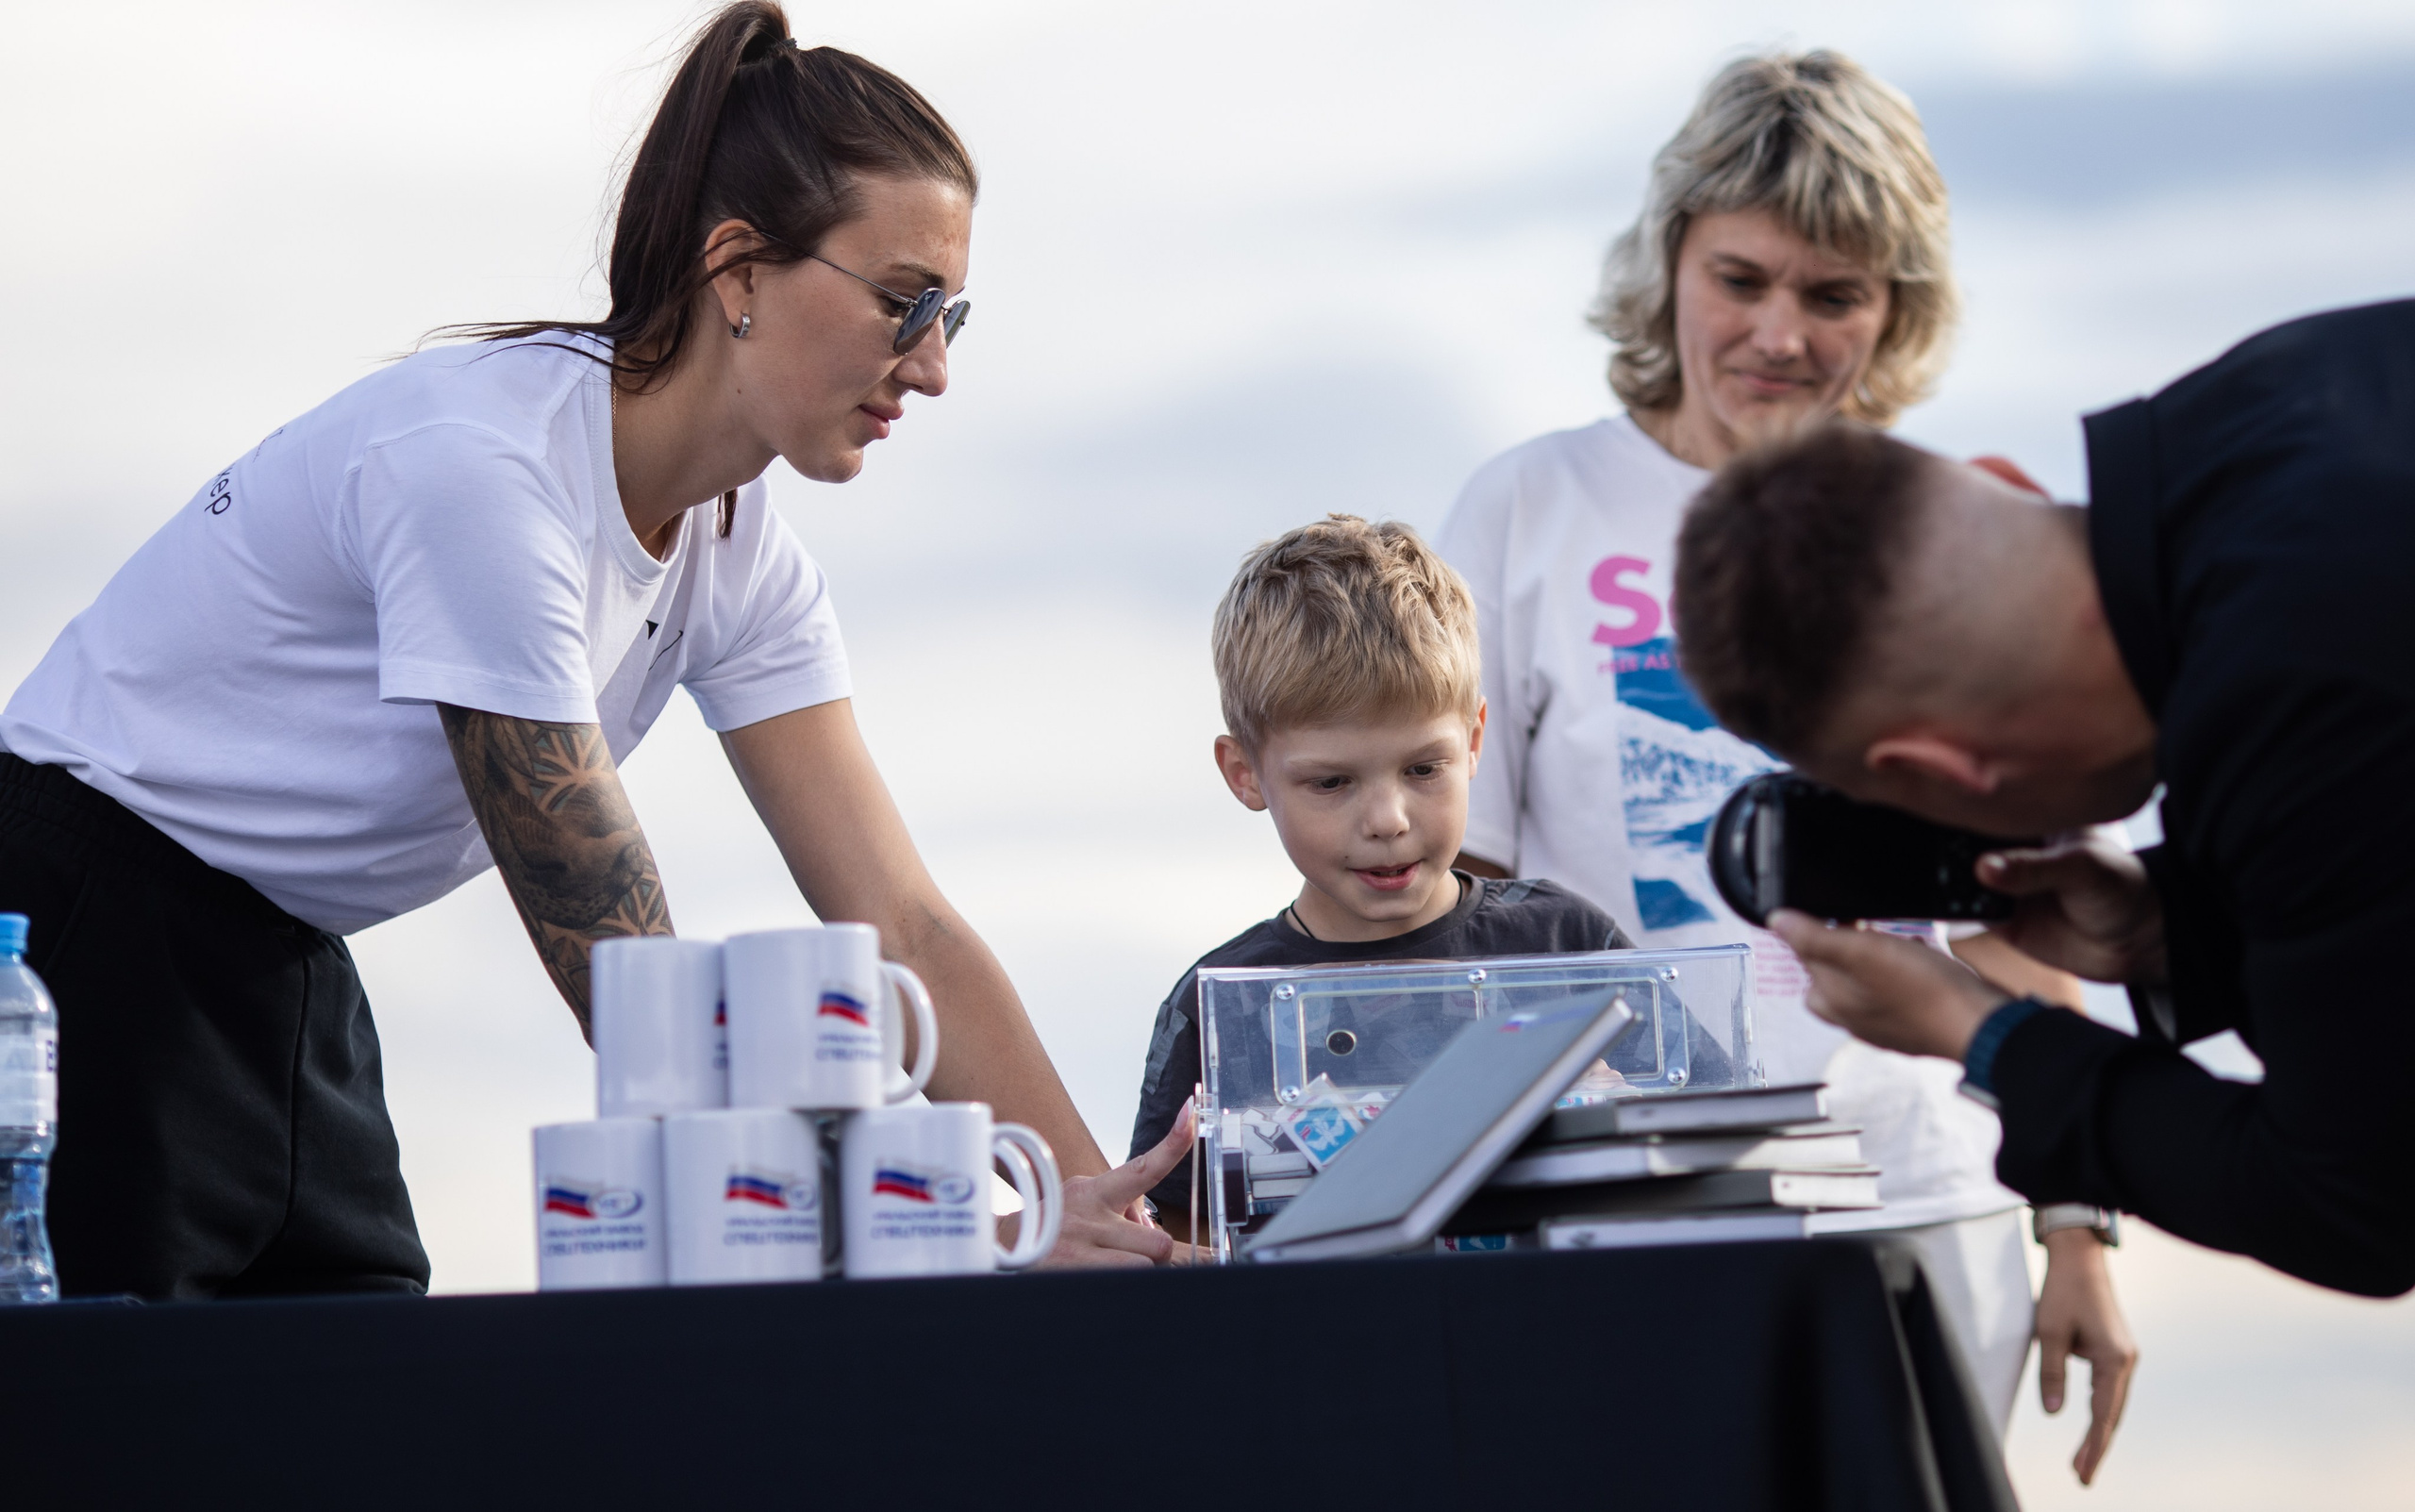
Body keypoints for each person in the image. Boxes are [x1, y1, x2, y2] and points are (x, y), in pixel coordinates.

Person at [0, 2, 1181, 1300]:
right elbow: (632, 990)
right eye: (904, 305)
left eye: (956, 312)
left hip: (289, 956)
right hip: (83, 923)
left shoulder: (746, 557)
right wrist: (974, 1218)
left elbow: (901, 918)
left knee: (375, 1423)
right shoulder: (484, 476)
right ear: (738, 270)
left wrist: (1122, 1235)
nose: (937, 365)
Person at [1434, 50, 2134, 1471]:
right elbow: (1462, 908)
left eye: (1834, 294)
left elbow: (2015, 901)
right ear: (1670, 258)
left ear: (1897, 309)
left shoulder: (1941, 523)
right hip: (1621, 1205)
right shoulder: (1527, 507)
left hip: (1922, 1197)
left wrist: (2080, 1213)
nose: (1781, 332)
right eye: (1742, 277)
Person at [1668, 304, 2415, 1305]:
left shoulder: (2284, 709)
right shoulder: (2270, 394)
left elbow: (2354, 1205)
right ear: (2004, 478)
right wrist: (2170, 933)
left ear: (1944, 772)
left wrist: (1987, 1033)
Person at [1126, 515, 1640, 1224]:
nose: (1388, 818)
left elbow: (1708, 1158)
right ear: (1245, 773)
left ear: (1474, 742)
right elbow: (1170, 1242)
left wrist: (1627, 1120)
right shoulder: (1218, 1007)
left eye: (1424, 768)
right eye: (1332, 782)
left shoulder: (1570, 948)